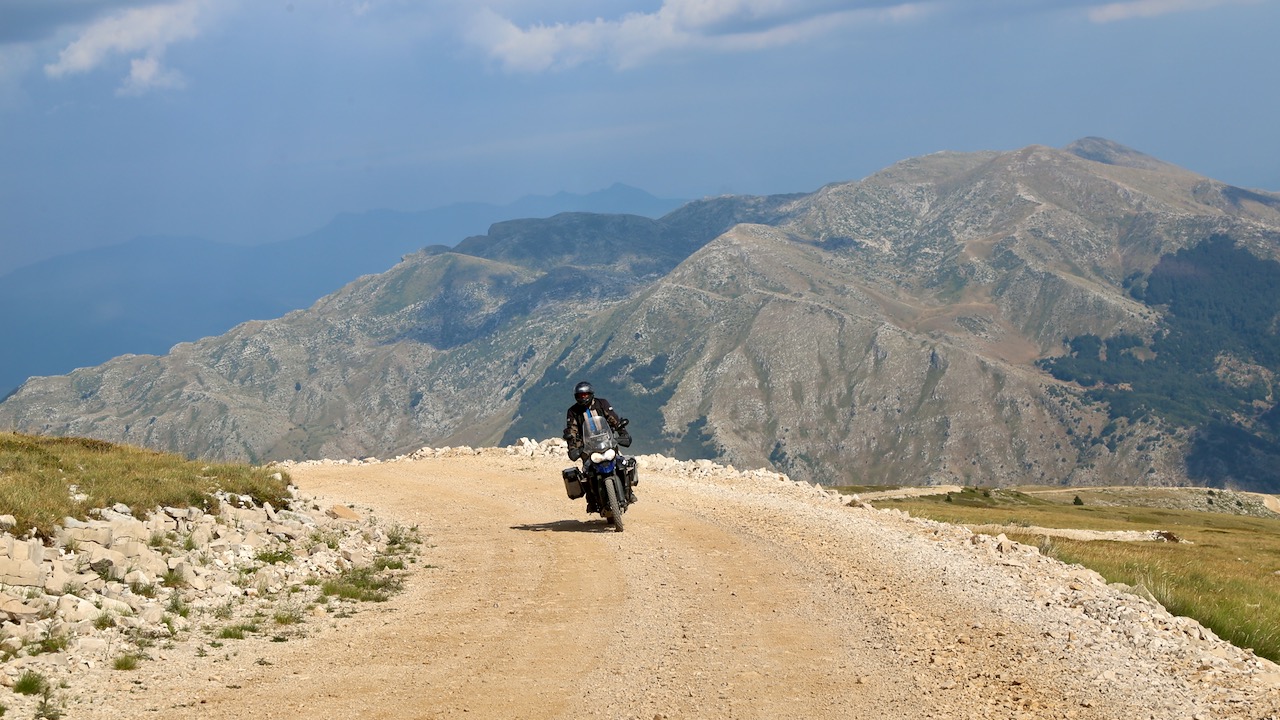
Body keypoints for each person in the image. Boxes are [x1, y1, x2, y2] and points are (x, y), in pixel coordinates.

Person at [563, 381, 637, 510]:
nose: (583, 397)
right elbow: (572, 430)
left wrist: (621, 431)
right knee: (587, 471)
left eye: (585, 394)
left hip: (606, 441)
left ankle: (629, 492)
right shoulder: (573, 411)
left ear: (591, 394)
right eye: (580, 395)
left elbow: (613, 419)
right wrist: (573, 445)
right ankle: (591, 500)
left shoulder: (601, 403)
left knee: (621, 464)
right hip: (587, 446)